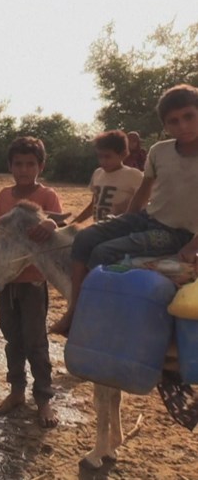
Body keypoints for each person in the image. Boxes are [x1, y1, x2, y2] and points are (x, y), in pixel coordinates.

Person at [55, 84, 198, 336]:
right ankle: (74, 309)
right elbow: (144, 190)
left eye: (189, 116)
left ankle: (98, 318)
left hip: (179, 233)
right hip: (147, 218)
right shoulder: (159, 151)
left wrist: (192, 246)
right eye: (173, 121)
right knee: (85, 238)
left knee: (103, 251)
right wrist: (126, 219)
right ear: (165, 126)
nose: (182, 126)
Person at [0, 137, 63, 428]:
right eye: (18, 164)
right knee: (12, 338)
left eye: (30, 164)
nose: (23, 169)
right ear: (10, 166)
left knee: (36, 341)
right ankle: (16, 391)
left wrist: (49, 223)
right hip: (6, 281)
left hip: (32, 282)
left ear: (40, 166)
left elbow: (58, 223)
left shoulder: (47, 196)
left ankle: (44, 399)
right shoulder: (4, 196)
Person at [69, 130, 144, 226]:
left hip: (120, 231)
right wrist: (72, 224)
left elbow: (143, 206)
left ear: (123, 154)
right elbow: (93, 205)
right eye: (100, 156)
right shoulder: (97, 173)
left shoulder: (134, 175)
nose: (103, 161)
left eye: (107, 156)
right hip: (99, 229)